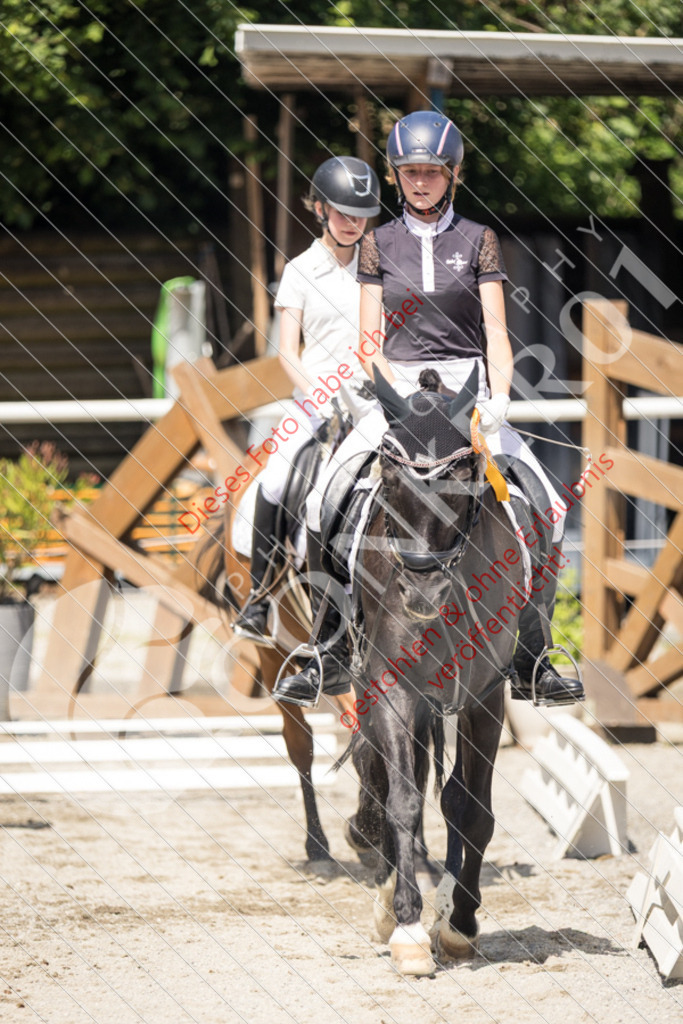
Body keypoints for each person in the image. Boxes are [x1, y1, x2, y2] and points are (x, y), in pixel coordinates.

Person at [274, 110, 585, 708]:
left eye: (433, 172)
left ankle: (534, 656)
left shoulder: (479, 238)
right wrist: (392, 400)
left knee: (547, 503)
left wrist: (499, 396)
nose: (421, 182)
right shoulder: (376, 244)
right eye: (411, 172)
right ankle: (329, 649)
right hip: (396, 390)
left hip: (467, 390)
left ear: (454, 175)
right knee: (320, 501)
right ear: (395, 176)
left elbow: (497, 331)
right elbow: (369, 341)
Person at [232, 155, 381, 660]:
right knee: (275, 480)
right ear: (319, 209)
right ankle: (258, 598)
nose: (352, 222)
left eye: (361, 214)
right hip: (314, 399)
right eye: (342, 212)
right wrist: (318, 393)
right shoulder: (299, 270)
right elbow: (286, 353)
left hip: (370, 401)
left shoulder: (379, 267)